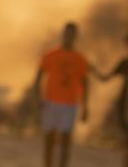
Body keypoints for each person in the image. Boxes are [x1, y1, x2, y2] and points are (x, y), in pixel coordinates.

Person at [33, 22, 90, 167]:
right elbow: (39, 76)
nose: (68, 37)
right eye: (66, 33)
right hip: (50, 101)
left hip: (69, 103)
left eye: (72, 34)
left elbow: (85, 83)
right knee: (49, 138)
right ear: (63, 34)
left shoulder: (80, 59)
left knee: (65, 139)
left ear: (75, 37)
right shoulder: (51, 55)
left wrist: (85, 105)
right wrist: (38, 97)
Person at [96, 31, 128, 133]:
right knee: (126, 129)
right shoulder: (124, 63)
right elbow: (106, 78)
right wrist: (93, 70)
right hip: (126, 98)